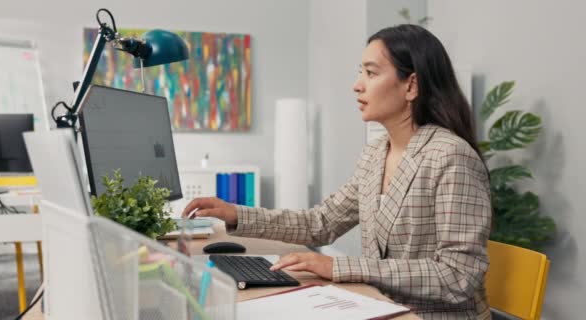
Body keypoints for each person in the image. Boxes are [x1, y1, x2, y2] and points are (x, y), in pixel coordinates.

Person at [183, 24, 492, 319]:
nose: (357, 85)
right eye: (361, 73)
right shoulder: (375, 153)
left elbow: (458, 274)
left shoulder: (451, 156)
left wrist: (339, 267)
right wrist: (238, 214)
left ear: (411, 85)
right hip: (379, 305)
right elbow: (322, 222)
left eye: (370, 73)